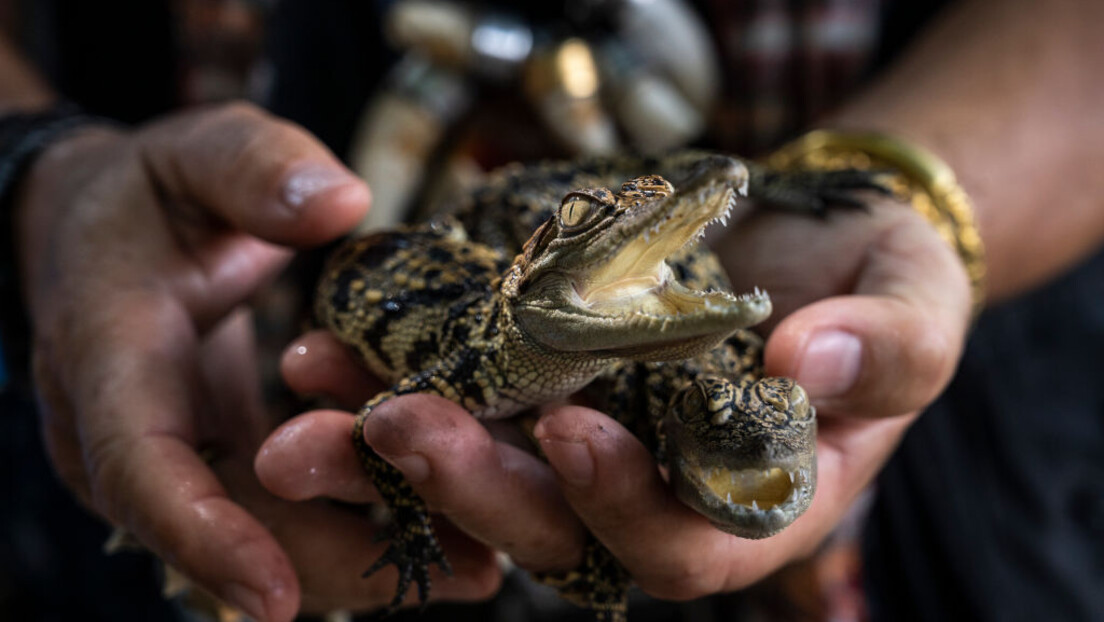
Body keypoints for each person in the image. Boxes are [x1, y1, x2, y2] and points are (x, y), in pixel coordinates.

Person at [1, 1, 1101, 621]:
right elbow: (396, 439)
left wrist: (884, 178)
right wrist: (43, 175)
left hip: (950, 519)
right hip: (181, 355)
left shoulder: (686, 328)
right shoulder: (480, 355)